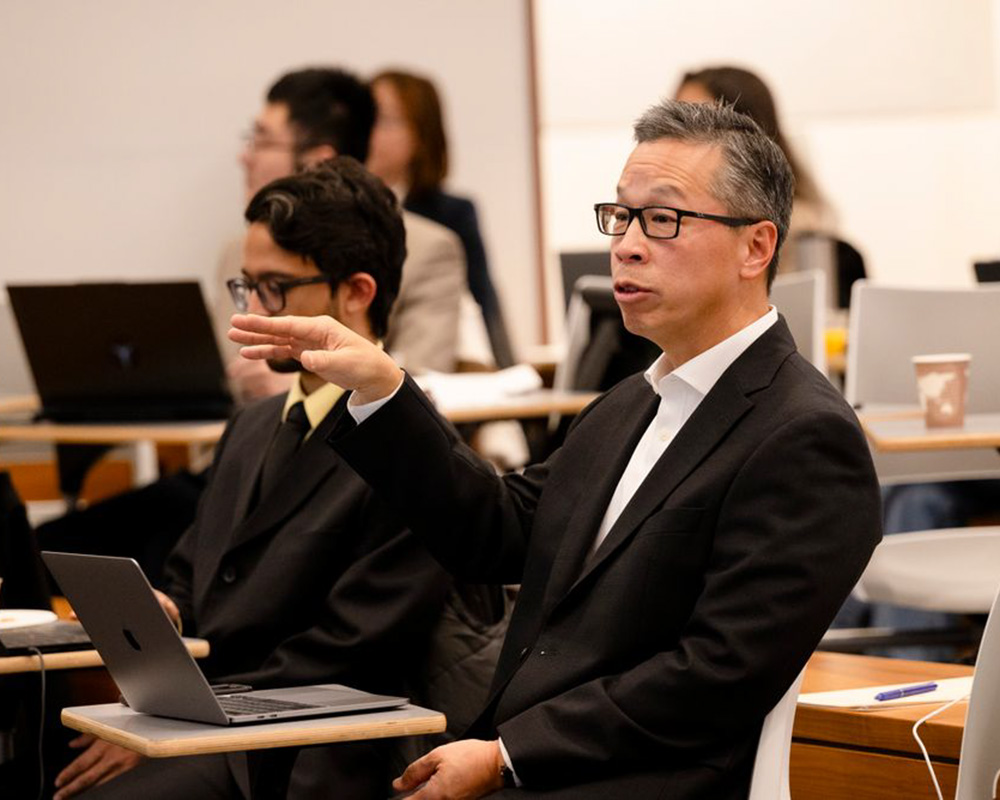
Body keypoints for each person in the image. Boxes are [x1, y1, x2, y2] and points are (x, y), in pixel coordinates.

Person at [230, 100, 883, 798]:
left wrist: (506, 754)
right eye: (622, 217)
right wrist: (385, 390)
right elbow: (497, 533)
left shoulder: (803, 434)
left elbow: (715, 676)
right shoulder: (633, 400)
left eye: (663, 220)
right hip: (533, 761)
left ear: (757, 247)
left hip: (635, 779)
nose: (627, 245)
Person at [56, 159, 453, 800]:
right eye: (247, 287)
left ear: (356, 291)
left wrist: (173, 723)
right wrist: (167, 609)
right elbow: (193, 572)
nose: (253, 311)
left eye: (275, 288)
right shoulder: (257, 424)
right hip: (215, 722)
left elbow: (352, 652)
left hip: (306, 750)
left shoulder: (418, 453)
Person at [216, 66, 467, 401]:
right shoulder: (238, 252)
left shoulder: (426, 249)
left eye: (263, 141)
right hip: (244, 443)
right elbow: (220, 379)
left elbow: (420, 385)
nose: (246, 157)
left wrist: (299, 388)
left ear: (318, 161)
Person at [367, 69, 514, 367]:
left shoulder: (452, 214)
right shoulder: (339, 210)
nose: (370, 132)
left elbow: (482, 305)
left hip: (434, 367)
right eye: (366, 118)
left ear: (421, 135)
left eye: (386, 120)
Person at [675, 66, 837, 275]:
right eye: (676, 117)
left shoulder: (798, 227)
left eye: (698, 121)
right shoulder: (655, 213)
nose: (677, 132)